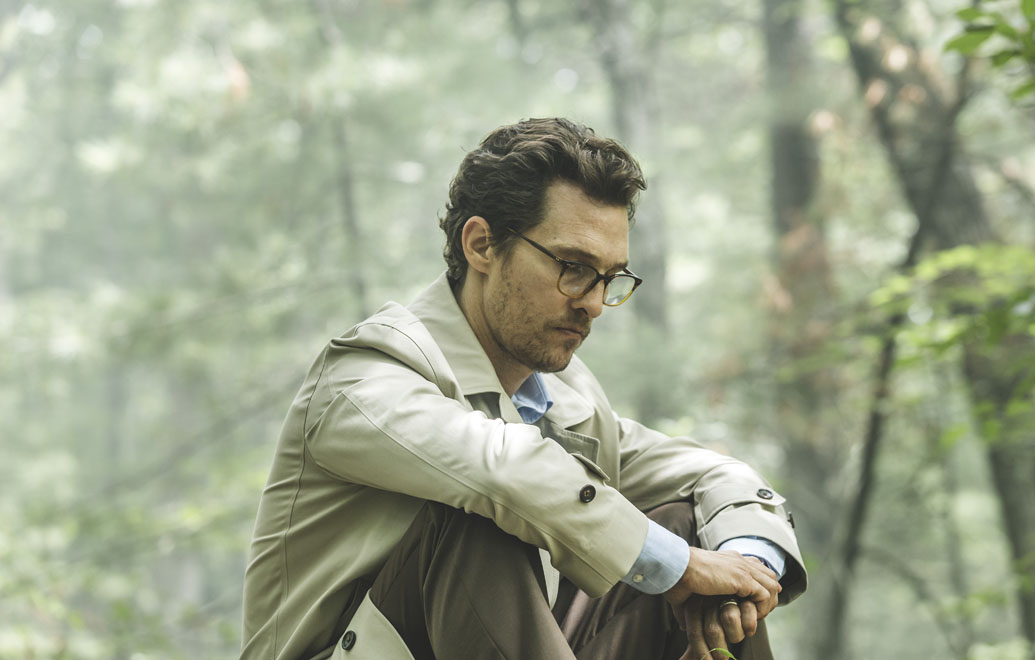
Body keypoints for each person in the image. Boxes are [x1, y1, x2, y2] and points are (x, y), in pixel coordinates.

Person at [240, 117, 806, 660]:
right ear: (481, 244)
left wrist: (744, 569)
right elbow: (499, 469)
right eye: (573, 266)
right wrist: (676, 567)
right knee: (482, 516)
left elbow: (713, 474)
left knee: (686, 527)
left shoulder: (567, 400)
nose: (593, 303)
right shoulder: (363, 376)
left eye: (610, 278)